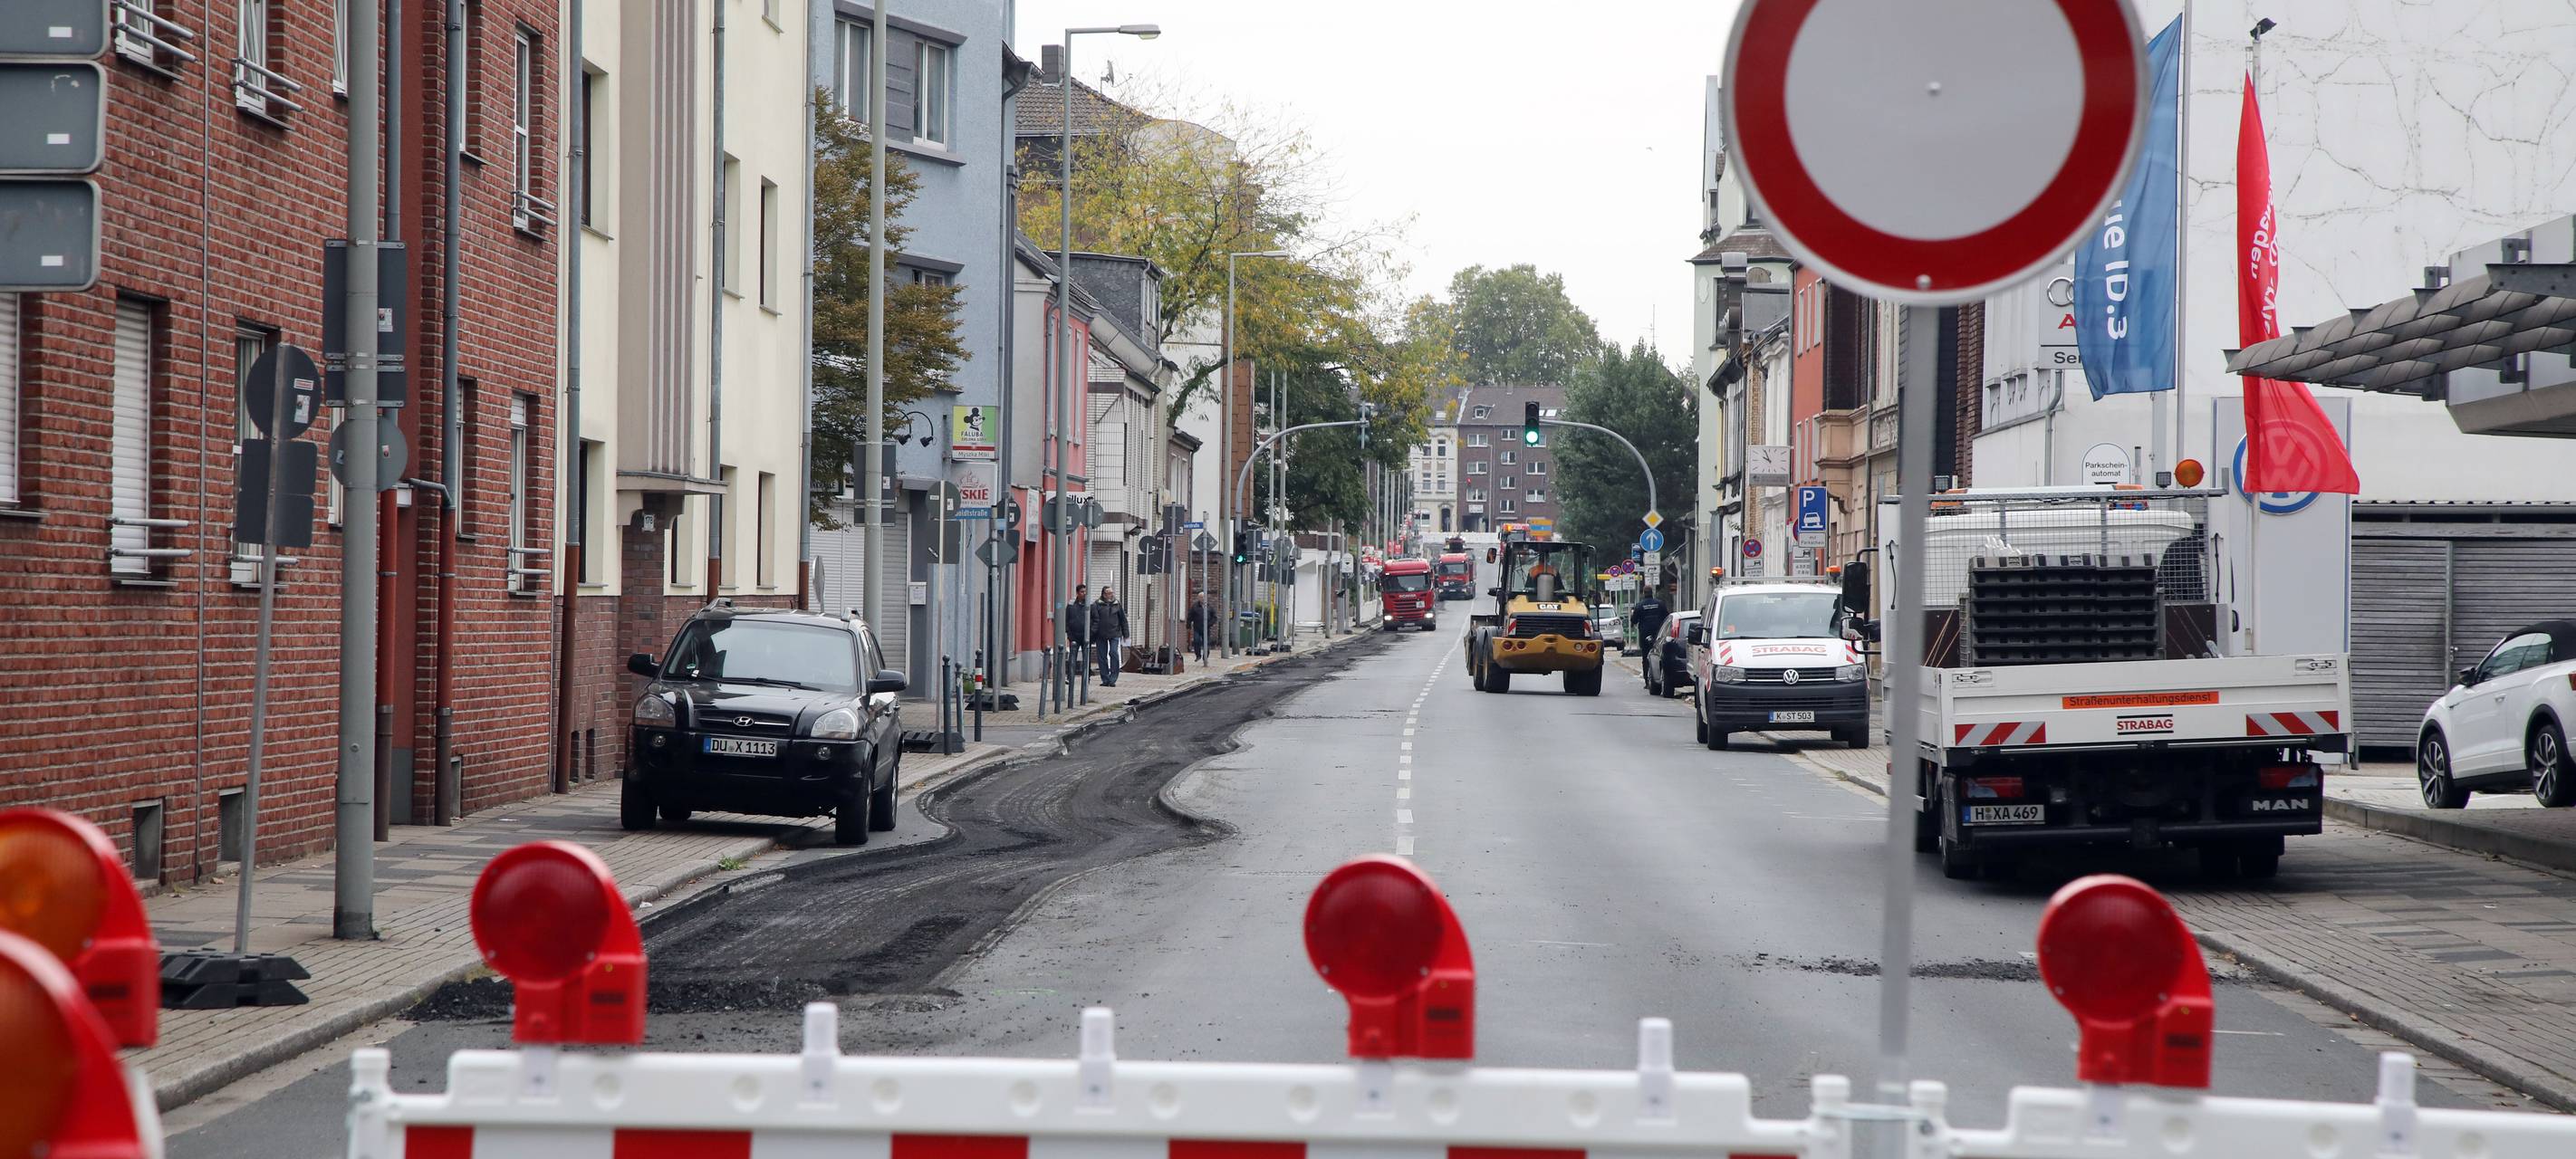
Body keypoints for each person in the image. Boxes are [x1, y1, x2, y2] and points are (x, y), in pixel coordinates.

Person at [1090, 588, 1130, 687]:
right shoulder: (1097, 605)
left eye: (1112, 593)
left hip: (1115, 633)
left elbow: (1123, 620)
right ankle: (1105, 679)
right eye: (1109, 593)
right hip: (1101, 634)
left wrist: (1126, 635)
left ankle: (1113, 679)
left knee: (1113, 652)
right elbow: (1093, 620)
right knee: (1102, 657)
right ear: (1104, 594)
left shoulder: (1117, 604)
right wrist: (1092, 635)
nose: (1111, 595)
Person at [1062, 584, 1091, 686]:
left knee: (1086, 657)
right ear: (1077, 593)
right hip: (1074, 635)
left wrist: (1091, 632)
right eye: (1082, 592)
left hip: (1086, 635)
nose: (1084, 594)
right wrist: (1068, 632)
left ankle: (1087, 678)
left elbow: (1095, 619)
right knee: (1072, 657)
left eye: (1085, 592)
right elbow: (1066, 619)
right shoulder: (1071, 605)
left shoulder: (1090, 604)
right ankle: (1070, 677)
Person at [1630, 589, 1668, 655]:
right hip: (1658, 631)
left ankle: (1646, 663)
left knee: (1645, 652)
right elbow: (1666, 617)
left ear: (1644, 594)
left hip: (1644, 632)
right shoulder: (1660, 604)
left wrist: (1632, 622)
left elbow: (1634, 620)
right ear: (1652, 593)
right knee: (1659, 651)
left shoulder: (1639, 605)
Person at [1188, 590, 1216, 664]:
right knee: (1197, 641)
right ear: (1198, 598)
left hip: (1206, 628)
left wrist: (1209, 624)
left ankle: (1205, 657)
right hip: (1197, 627)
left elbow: (1214, 617)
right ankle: (1198, 655)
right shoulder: (1195, 607)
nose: (1202, 599)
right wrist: (1188, 625)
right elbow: (1190, 616)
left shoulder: (1210, 607)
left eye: (1203, 597)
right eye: (1200, 597)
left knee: (1206, 643)